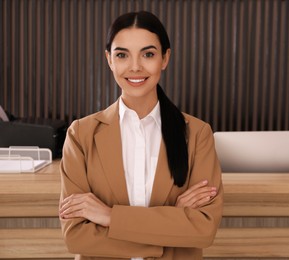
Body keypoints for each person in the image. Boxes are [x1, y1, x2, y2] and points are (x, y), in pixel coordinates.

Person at [58, 11, 223, 260]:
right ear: (109, 60)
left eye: (148, 54)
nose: (135, 66)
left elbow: (203, 230)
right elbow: (76, 236)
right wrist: (173, 228)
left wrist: (109, 216)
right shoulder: (81, 135)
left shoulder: (198, 134)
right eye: (122, 55)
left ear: (165, 58)